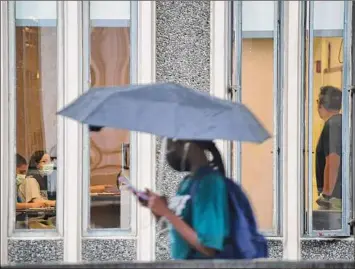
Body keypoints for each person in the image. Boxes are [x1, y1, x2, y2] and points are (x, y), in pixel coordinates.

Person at [140, 139, 230, 260]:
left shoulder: (209, 183)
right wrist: (160, 210)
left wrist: (167, 213)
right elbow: (181, 230)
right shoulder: (187, 182)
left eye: (172, 144)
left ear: (189, 145)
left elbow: (208, 247)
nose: (169, 150)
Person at [315, 85, 342, 210]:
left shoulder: (332, 125)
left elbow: (333, 159)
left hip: (334, 199)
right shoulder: (342, 123)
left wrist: (326, 194)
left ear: (321, 105)